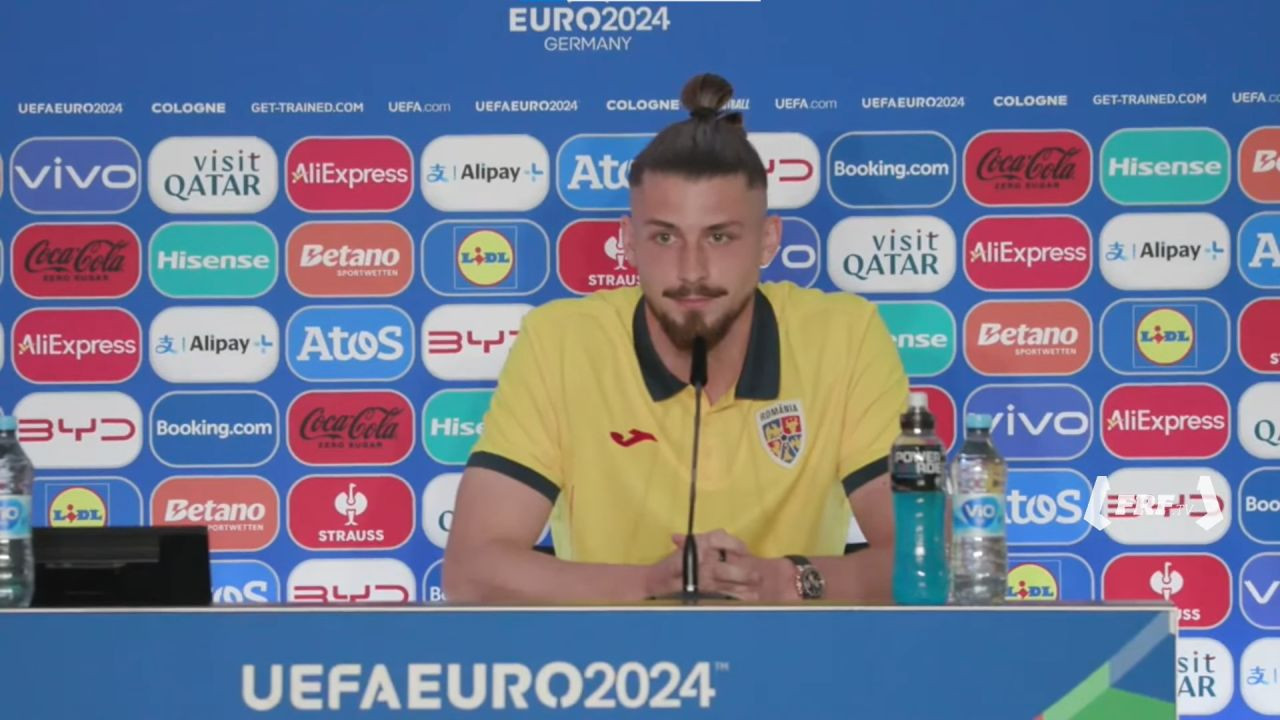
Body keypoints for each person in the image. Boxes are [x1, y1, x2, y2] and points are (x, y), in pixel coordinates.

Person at [442, 72, 909, 604]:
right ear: (628, 242)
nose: (692, 271)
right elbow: (471, 573)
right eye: (665, 237)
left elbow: (923, 559)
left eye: (720, 236)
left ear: (768, 241)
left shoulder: (846, 336)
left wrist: (782, 581)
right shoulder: (559, 343)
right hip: (612, 658)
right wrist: (651, 586)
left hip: (796, 654)